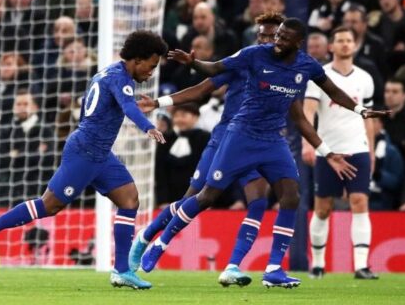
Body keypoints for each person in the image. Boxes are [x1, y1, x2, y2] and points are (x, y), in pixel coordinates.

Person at [139, 18, 388, 288]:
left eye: (282, 38)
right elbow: (214, 69)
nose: (276, 41)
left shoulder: (306, 66)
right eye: (276, 36)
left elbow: (333, 92)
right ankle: (160, 244)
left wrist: (360, 111)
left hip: (273, 140)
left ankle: (273, 269)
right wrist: (193, 63)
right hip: (240, 135)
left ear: (298, 43)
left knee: (291, 196)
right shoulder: (254, 55)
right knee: (207, 196)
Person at [0, 30, 168, 290]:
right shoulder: (122, 79)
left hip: (100, 154)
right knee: (48, 206)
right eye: (151, 66)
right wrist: (147, 126)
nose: (151, 72)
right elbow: (129, 107)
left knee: (129, 199)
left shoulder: (107, 73)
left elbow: (97, 104)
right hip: (85, 151)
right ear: (137, 60)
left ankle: (121, 270)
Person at [134, 12, 284, 286]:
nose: (266, 39)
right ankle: (149, 236)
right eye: (261, 34)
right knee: (198, 198)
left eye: (272, 36)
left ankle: (233, 266)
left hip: (260, 140)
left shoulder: (289, 69)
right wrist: (158, 103)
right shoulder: (244, 60)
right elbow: (202, 88)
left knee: (259, 200)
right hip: (226, 137)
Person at [302, 27, 379, 280]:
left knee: (360, 202)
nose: (345, 45)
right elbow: (308, 111)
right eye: (340, 41)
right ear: (331, 47)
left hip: (357, 148)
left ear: (355, 46)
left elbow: (368, 119)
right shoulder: (320, 76)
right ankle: (318, 265)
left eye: (349, 40)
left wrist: (370, 149)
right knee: (323, 207)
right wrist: (308, 145)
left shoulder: (365, 78)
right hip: (328, 150)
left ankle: (361, 266)